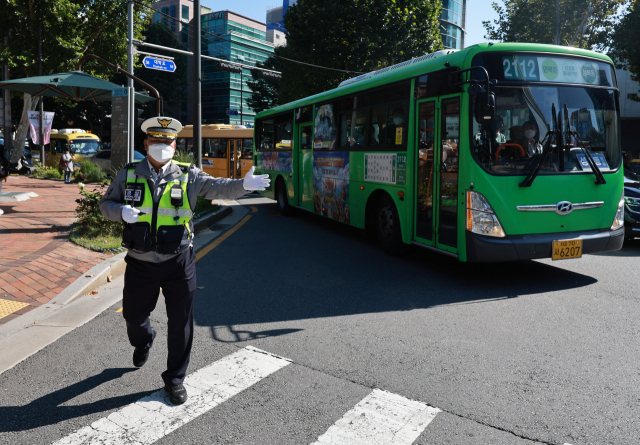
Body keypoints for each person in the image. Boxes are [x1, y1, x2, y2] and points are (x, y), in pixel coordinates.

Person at [98, 116, 270, 406]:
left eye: (167, 141)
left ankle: (175, 379)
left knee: (181, 323)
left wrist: (244, 185)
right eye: (156, 141)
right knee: (134, 319)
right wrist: (120, 212)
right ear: (146, 144)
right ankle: (144, 341)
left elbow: (220, 187)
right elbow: (105, 205)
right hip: (140, 263)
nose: (162, 145)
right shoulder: (127, 174)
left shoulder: (189, 175)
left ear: (175, 145)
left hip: (179, 261)